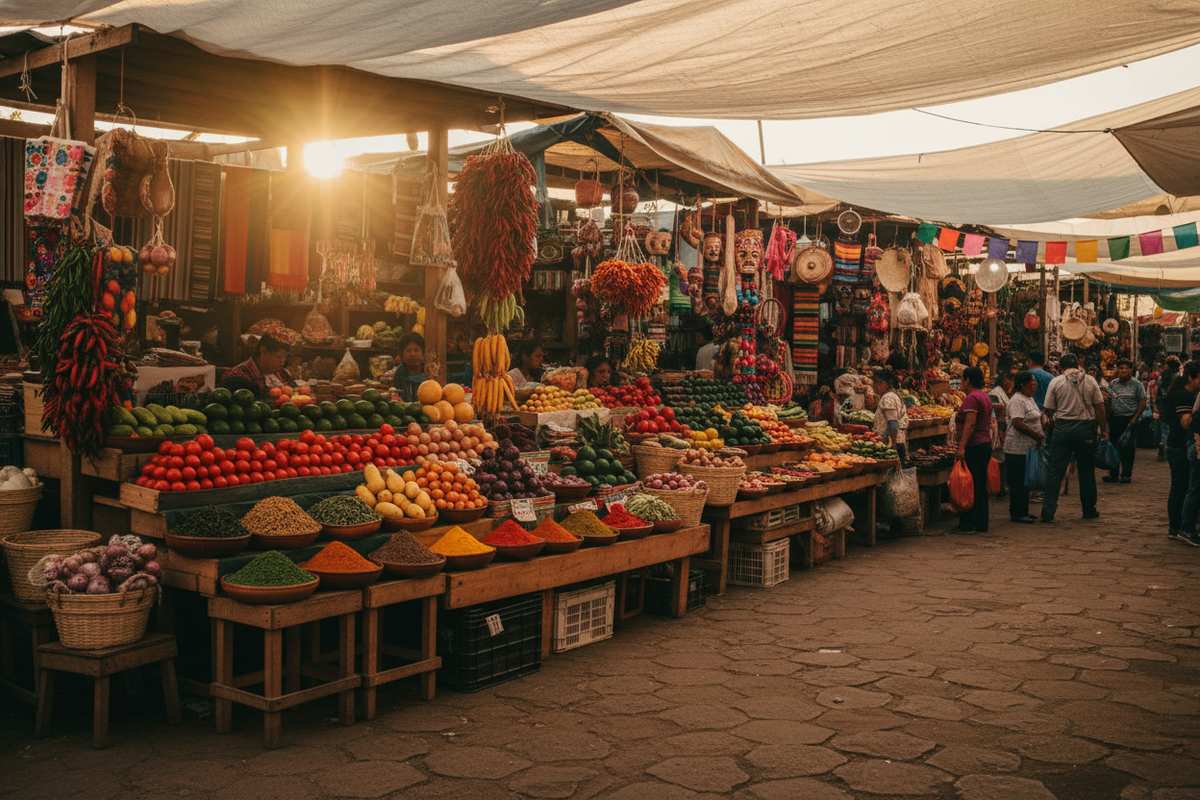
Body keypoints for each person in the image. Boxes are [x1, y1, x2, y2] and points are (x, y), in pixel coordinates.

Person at [1041, 353, 1107, 523]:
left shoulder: (1056, 382)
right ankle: (1088, 509)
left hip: (1062, 429)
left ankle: (1048, 511)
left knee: (1055, 471)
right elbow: (1100, 408)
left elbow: (1048, 409)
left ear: (1061, 367)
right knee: (1086, 471)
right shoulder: (1091, 380)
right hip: (1085, 429)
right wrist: (1104, 429)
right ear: (1078, 364)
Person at [1164, 362, 1200, 540]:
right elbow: (1185, 422)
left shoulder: (1181, 393)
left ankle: (1175, 526)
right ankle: (1178, 526)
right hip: (1180, 445)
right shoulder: (1184, 396)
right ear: (1192, 377)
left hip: (1176, 444)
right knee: (1181, 487)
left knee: (1181, 486)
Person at [955, 366, 993, 534]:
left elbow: (970, 424)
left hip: (975, 445)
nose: (961, 383)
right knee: (979, 484)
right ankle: (981, 522)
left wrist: (962, 446)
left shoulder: (971, 398)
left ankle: (968, 523)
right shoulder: (984, 396)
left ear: (968, 380)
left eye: (962, 379)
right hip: (984, 443)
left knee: (970, 485)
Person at [1004, 371, 1045, 523]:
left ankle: (1023, 510)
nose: (1035, 385)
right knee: (1018, 482)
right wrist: (1036, 435)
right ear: (1023, 384)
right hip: (1016, 448)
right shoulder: (1017, 400)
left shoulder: (1029, 399)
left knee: (1024, 480)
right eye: (1032, 383)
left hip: (1028, 448)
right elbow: (1017, 422)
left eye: (1035, 383)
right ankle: (1017, 513)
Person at [1104, 358, 1147, 484]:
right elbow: (1109, 400)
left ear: (1131, 370)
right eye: (1120, 368)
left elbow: (1143, 402)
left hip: (1129, 420)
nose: (1123, 370)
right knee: (1113, 446)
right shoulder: (1113, 384)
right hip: (1115, 419)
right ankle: (1113, 473)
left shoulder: (1137, 384)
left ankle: (1126, 474)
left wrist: (1135, 418)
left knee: (1128, 448)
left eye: (1125, 368)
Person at [221, 334, 290, 399]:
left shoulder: (280, 373)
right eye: (279, 357)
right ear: (263, 351)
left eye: (285, 357)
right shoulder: (238, 376)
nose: (282, 361)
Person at [871, 369, 908, 461]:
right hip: (896, 441)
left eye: (876, 383)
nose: (874, 386)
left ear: (885, 383)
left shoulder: (888, 398)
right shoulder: (894, 395)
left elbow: (893, 423)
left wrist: (893, 445)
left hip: (890, 443)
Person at [1157, 356, 1181, 461]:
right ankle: (1167, 450)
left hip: (1164, 405)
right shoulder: (1178, 377)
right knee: (1171, 428)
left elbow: (1159, 391)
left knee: (1164, 428)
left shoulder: (1162, 376)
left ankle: (1163, 445)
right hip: (1174, 405)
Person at [392, 333, 428, 402]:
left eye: (416, 350)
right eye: (408, 350)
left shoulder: (429, 371)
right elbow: (397, 395)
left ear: (423, 353)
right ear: (402, 354)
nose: (412, 354)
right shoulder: (399, 373)